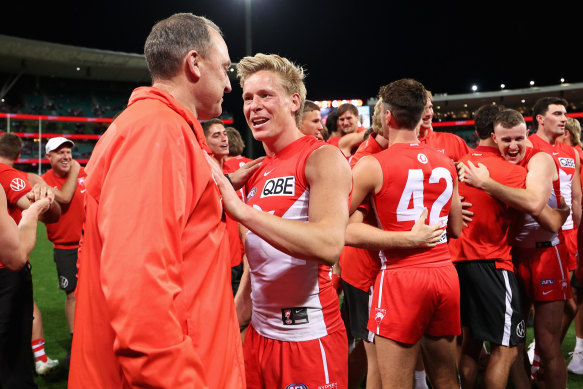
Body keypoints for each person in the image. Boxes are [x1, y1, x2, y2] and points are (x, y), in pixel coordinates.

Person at [68, 13, 251, 388]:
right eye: (225, 67)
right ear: (194, 63)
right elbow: (140, 291)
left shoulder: (162, 127)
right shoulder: (156, 131)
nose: (230, 85)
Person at [211, 53, 352, 389]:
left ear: (293, 102)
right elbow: (253, 267)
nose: (254, 106)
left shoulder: (322, 158)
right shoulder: (258, 171)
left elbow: (330, 244)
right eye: (247, 98)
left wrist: (243, 211)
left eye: (265, 95)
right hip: (259, 339)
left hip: (308, 339)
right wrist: (232, 327)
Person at [349, 79, 463, 388]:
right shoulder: (446, 163)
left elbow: (340, 229)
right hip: (444, 274)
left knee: (396, 383)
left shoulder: (371, 164)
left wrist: (405, 238)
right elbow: (455, 227)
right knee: (445, 379)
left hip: (400, 275)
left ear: (387, 116)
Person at [460, 105, 577, 389]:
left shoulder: (539, 160)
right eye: (506, 140)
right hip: (511, 256)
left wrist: (486, 183)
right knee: (514, 339)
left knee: (547, 344)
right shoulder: (500, 167)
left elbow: (545, 214)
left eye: (518, 139)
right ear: (494, 140)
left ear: (528, 136)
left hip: (545, 254)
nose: (513, 146)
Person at [450, 106, 530, 389]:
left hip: (455, 266)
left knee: (470, 345)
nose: (513, 145)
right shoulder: (512, 172)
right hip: (492, 265)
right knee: (506, 349)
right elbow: (537, 207)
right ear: (495, 135)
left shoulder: (457, 165)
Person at [0, 133, 61, 388]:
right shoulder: (7, 175)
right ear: (19, 154)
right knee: (12, 356)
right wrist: (40, 204)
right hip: (7, 273)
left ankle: (40, 357)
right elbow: (43, 211)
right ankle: (39, 359)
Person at [40, 136, 85, 367]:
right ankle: (76, 343)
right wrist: (77, 171)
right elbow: (65, 198)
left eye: (68, 152)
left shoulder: (86, 174)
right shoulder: (43, 182)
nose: (66, 156)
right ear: (49, 157)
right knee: (73, 295)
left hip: (91, 244)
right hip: (66, 248)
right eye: (60, 153)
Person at [560, 118, 583, 374]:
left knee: (570, 295)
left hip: (573, 232)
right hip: (575, 230)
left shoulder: (573, 156)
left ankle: (547, 350)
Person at [418, 90, 471, 162]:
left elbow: (475, 163)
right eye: (423, 109)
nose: (429, 113)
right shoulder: (400, 145)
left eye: (430, 107)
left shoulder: (453, 141)